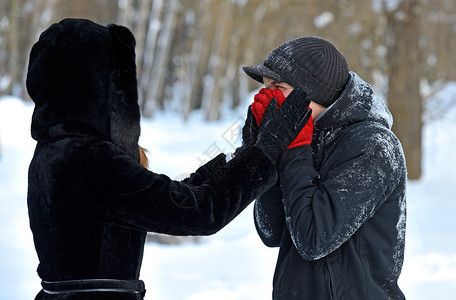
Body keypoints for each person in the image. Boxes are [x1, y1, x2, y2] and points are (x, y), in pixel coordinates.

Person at [26, 18, 313, 299]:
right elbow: (198, 212)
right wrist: (267, 149)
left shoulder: (57, 151)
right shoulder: (89, 160)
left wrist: (244, 155)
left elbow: (167, 199)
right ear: (92, 83)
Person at [242, 36, 407, 299]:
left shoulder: (374, 146)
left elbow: (314, 239)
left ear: (312, 93)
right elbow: (271, 231)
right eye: (266, 87)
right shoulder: (306, 136)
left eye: (278, 88)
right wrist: (264, 155)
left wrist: (295, 149)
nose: (268, 98)